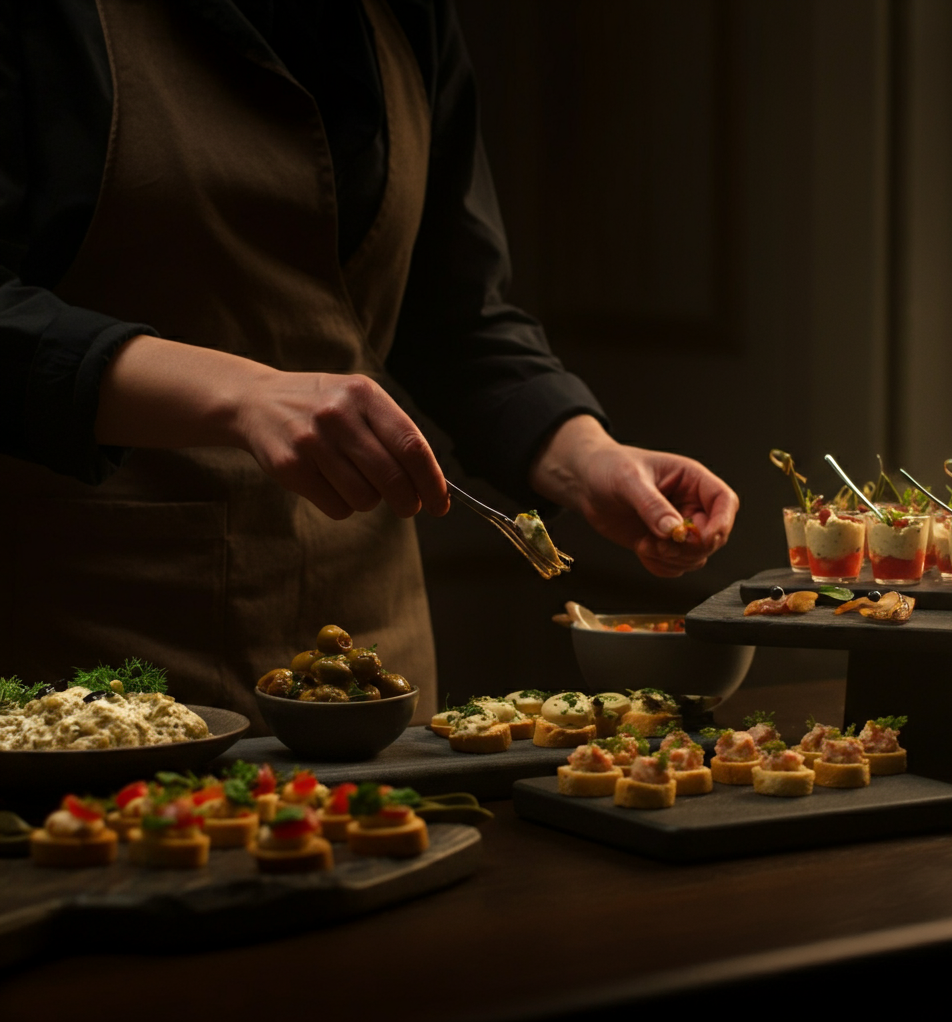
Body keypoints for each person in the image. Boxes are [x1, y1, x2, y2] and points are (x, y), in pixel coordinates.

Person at [0, 0, 738, 725]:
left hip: (370, 634)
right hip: (105, 645)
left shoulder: (411, 17)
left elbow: (454, 310)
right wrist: (243, 394)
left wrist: (586, 456)